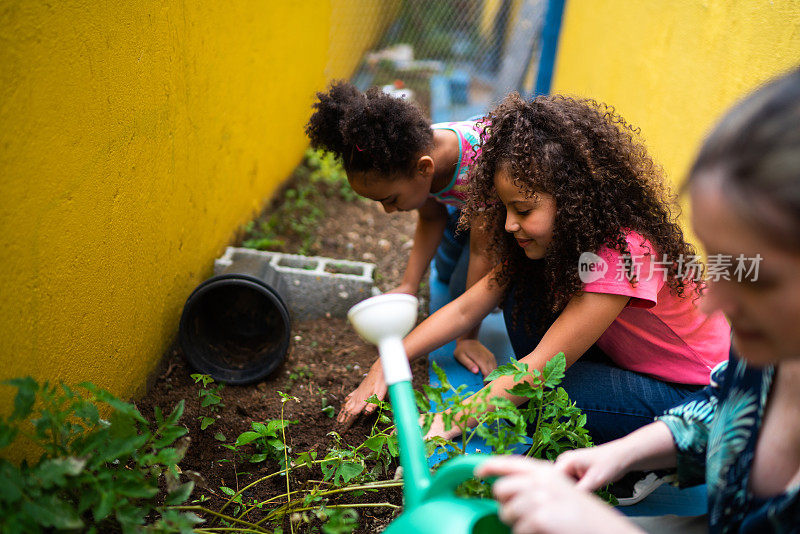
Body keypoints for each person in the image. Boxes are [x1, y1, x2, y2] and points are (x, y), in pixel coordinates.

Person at [477, 67, 800, 533]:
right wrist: (619, 452)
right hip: (672, 380)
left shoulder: (621, 254)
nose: (714, 306)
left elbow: (533, 372)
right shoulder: (766, 362)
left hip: (676, 382)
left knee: (545, 385)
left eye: (760, 278)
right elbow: (720, 407)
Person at [343, 91, 731, 446]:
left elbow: (535, 372)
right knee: (521, 300)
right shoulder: (557, 237)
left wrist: (448, 420)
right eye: (505, 208)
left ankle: (651, 463)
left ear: (572, 199)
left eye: (523, 210)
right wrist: (387, 362)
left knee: (533, 399)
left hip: (697, 394)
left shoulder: (624, 253)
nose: (510, 224)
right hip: (636, 362)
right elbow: (467, 306)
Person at [305, 81, 497, 427]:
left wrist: (467, 338)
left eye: (389, 199)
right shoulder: (418, 157)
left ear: (425, 169)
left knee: (459, 292)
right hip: (465, 210)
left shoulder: (479, 167)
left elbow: (485, 249)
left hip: (495, 214)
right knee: (449, 267)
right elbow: (431, 213)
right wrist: (408, 285)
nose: (388, 211)